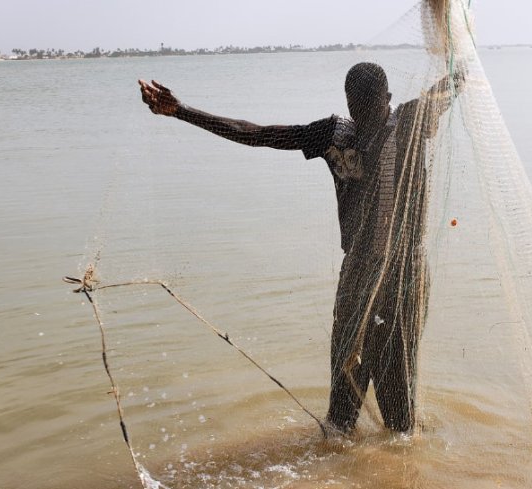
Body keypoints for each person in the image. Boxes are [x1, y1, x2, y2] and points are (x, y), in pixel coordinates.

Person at [139, 62, 460, 433]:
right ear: (348, 105)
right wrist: (181, 111)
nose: (364, 119)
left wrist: (448, 25)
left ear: (387, 100)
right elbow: (257, 134)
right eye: (357, 109)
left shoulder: (410, 122)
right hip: (357, 274)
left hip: (403, 277)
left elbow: (454, 78)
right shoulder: (335, 134)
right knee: (342, 405)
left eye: (371, 108)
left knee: (398, 415)